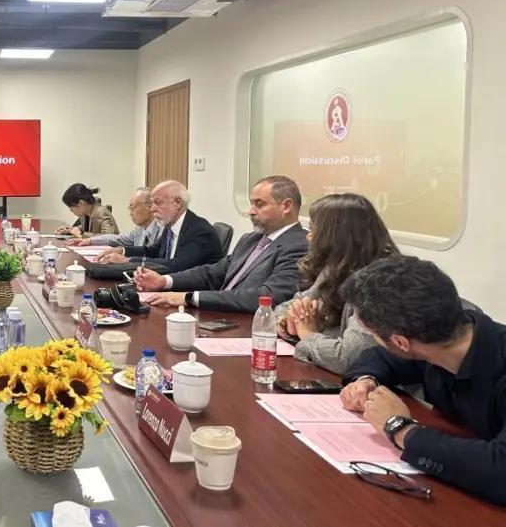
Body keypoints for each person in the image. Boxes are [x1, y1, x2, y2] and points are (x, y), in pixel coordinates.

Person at [338, 256, 506, 505]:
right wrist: (365, 380)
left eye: (374, 334)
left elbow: (500, 469)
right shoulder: (438, 339)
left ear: (400, 342)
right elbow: (379, 358)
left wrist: (400, 428)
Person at [134, 175, 307, 312]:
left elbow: (266, 297)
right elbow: (213, 272)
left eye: (259, 204)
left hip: (245, 326)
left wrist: (189, 297)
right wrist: (164, 281)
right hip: (216, 315)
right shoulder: (251, 239)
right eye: (251, 204)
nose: (251, 211)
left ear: (286, 206)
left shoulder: (299, 246)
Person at [274, 193, 396, 375]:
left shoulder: (380, 284)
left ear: (337, 236)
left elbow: (347, 358)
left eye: (314, 229)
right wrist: (287, 319)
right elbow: (287, 306)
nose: (308, 237)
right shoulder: (337, 268)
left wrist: (307, 334)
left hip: (380, 385)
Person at [95, 180, 222, 273]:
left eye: (158, 203)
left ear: (178, 203)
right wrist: (122, 251)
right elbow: (153, 251)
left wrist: (127, 261)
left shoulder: (199, 230)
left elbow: (177, 266)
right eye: (152, 203)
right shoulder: (170, 225)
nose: (152, 209)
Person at [66, 186, 162, 251]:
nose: (130, 213)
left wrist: (125, 256)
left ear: (150, 207)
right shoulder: (140, 229)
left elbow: (109, 233)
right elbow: (117, 239)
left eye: (133, 208)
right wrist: (90, 240)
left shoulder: (163, 232)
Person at [54, 184, 119, 238]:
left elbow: (109, 237)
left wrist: (82, 236)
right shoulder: (86, 213)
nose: (71, 210)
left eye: (71, 207)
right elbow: (86, 227)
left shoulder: (101, 213)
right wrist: (69, 231)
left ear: (81, 203)